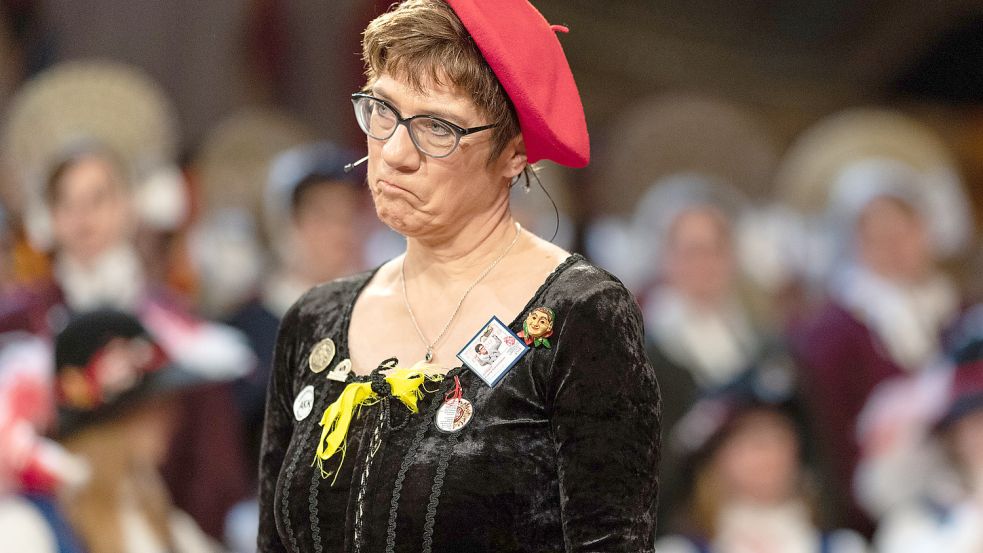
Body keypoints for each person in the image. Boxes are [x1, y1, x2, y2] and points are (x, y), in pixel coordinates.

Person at [257, 1, 661, 552]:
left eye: (437, 128)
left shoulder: (577, 315)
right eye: (382, 110)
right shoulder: (316, 319)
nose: (394, 153)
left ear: (513, 153)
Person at [789, 160, 960, 534]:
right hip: (871, 516)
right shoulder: (832, 332)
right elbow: (829, 440)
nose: (894, 247)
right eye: (877, 236)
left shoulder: (957, 314)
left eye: (904, 231)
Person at [51, 309, 221, 553]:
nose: (174, 417)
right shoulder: (52, 515)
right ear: (113, 421)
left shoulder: (143, 489)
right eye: (154, 405)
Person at [656, 369, 868, 553]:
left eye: (778, 436)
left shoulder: (845, 547)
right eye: (748, 438)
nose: (766, 451)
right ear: (713, 457)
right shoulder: (678, 549)